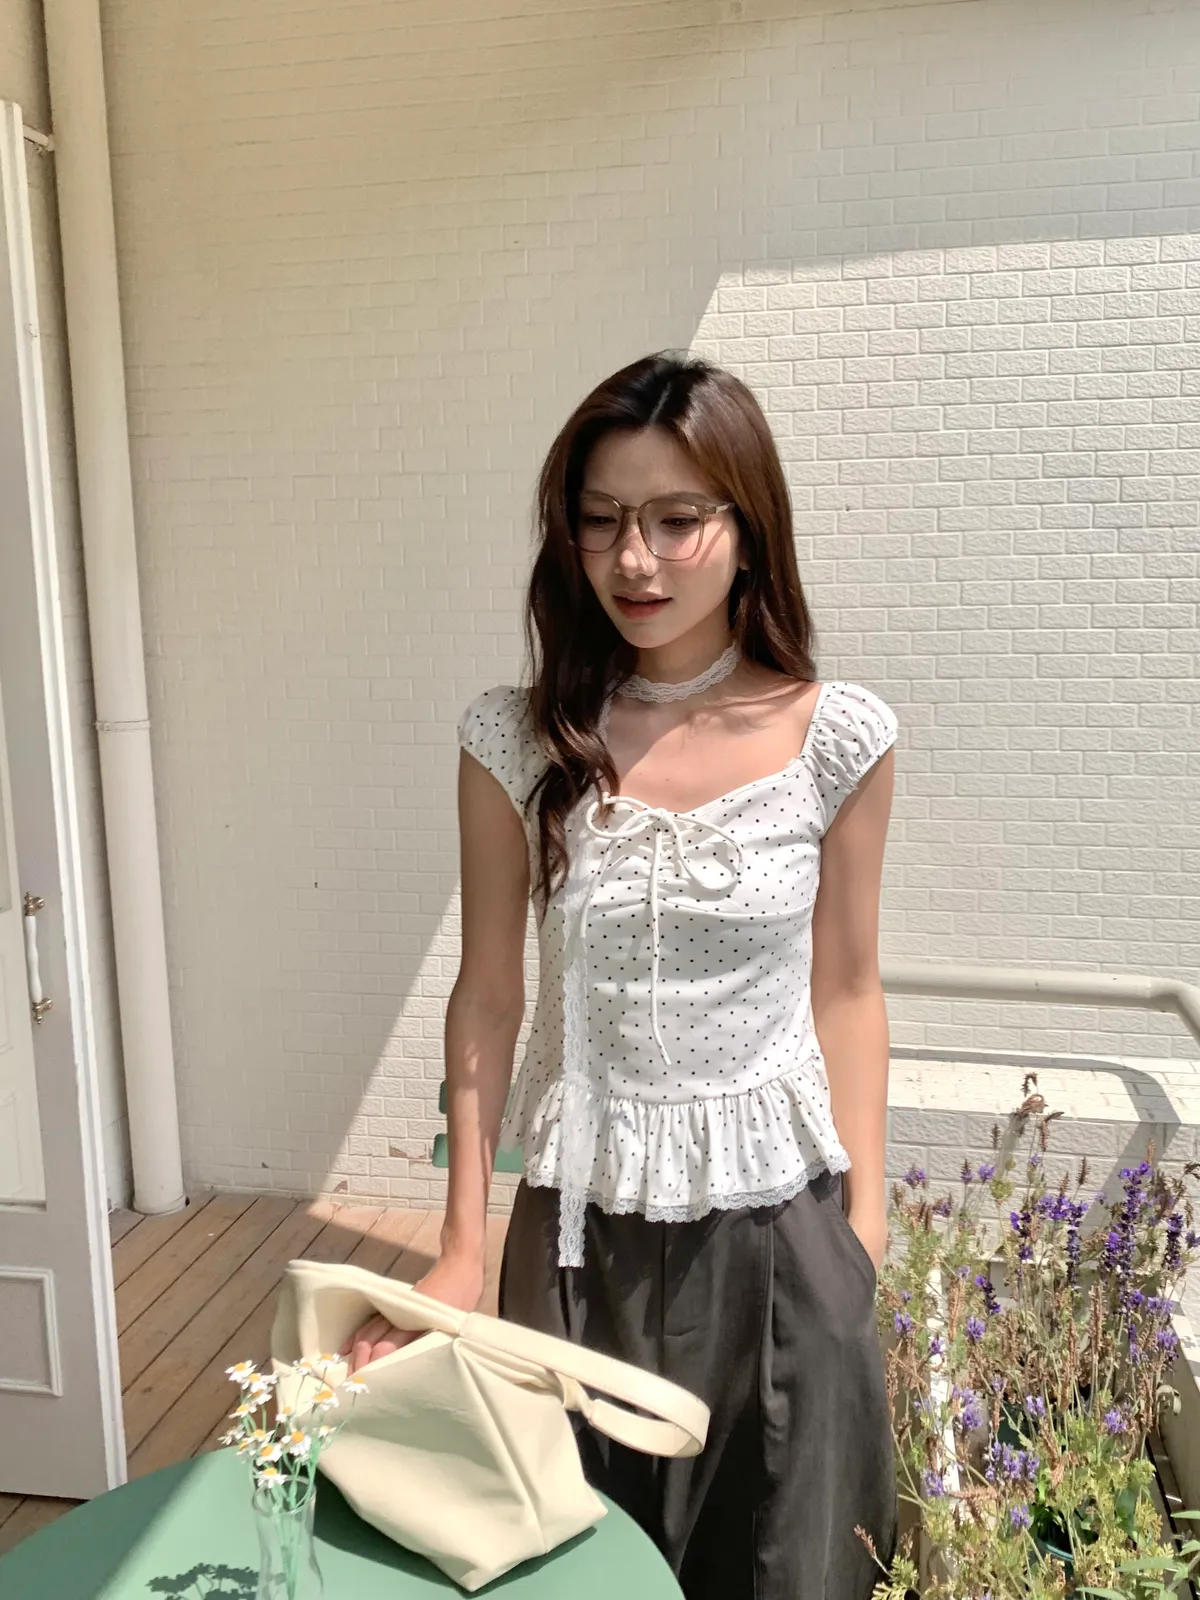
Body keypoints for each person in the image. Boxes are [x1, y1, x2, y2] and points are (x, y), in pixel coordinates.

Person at [345, 352, 899, 1600]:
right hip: (576, 1233)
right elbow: (491, 994)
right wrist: (461, 1245)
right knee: (573, 1560)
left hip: (781, 1231)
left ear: (748, 533)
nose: (634, 560)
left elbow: (850, 990)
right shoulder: (519, 737)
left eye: (675, 519)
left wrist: (860, 1239)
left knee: (788, 1564)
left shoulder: (838, 737)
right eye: (600, 521)